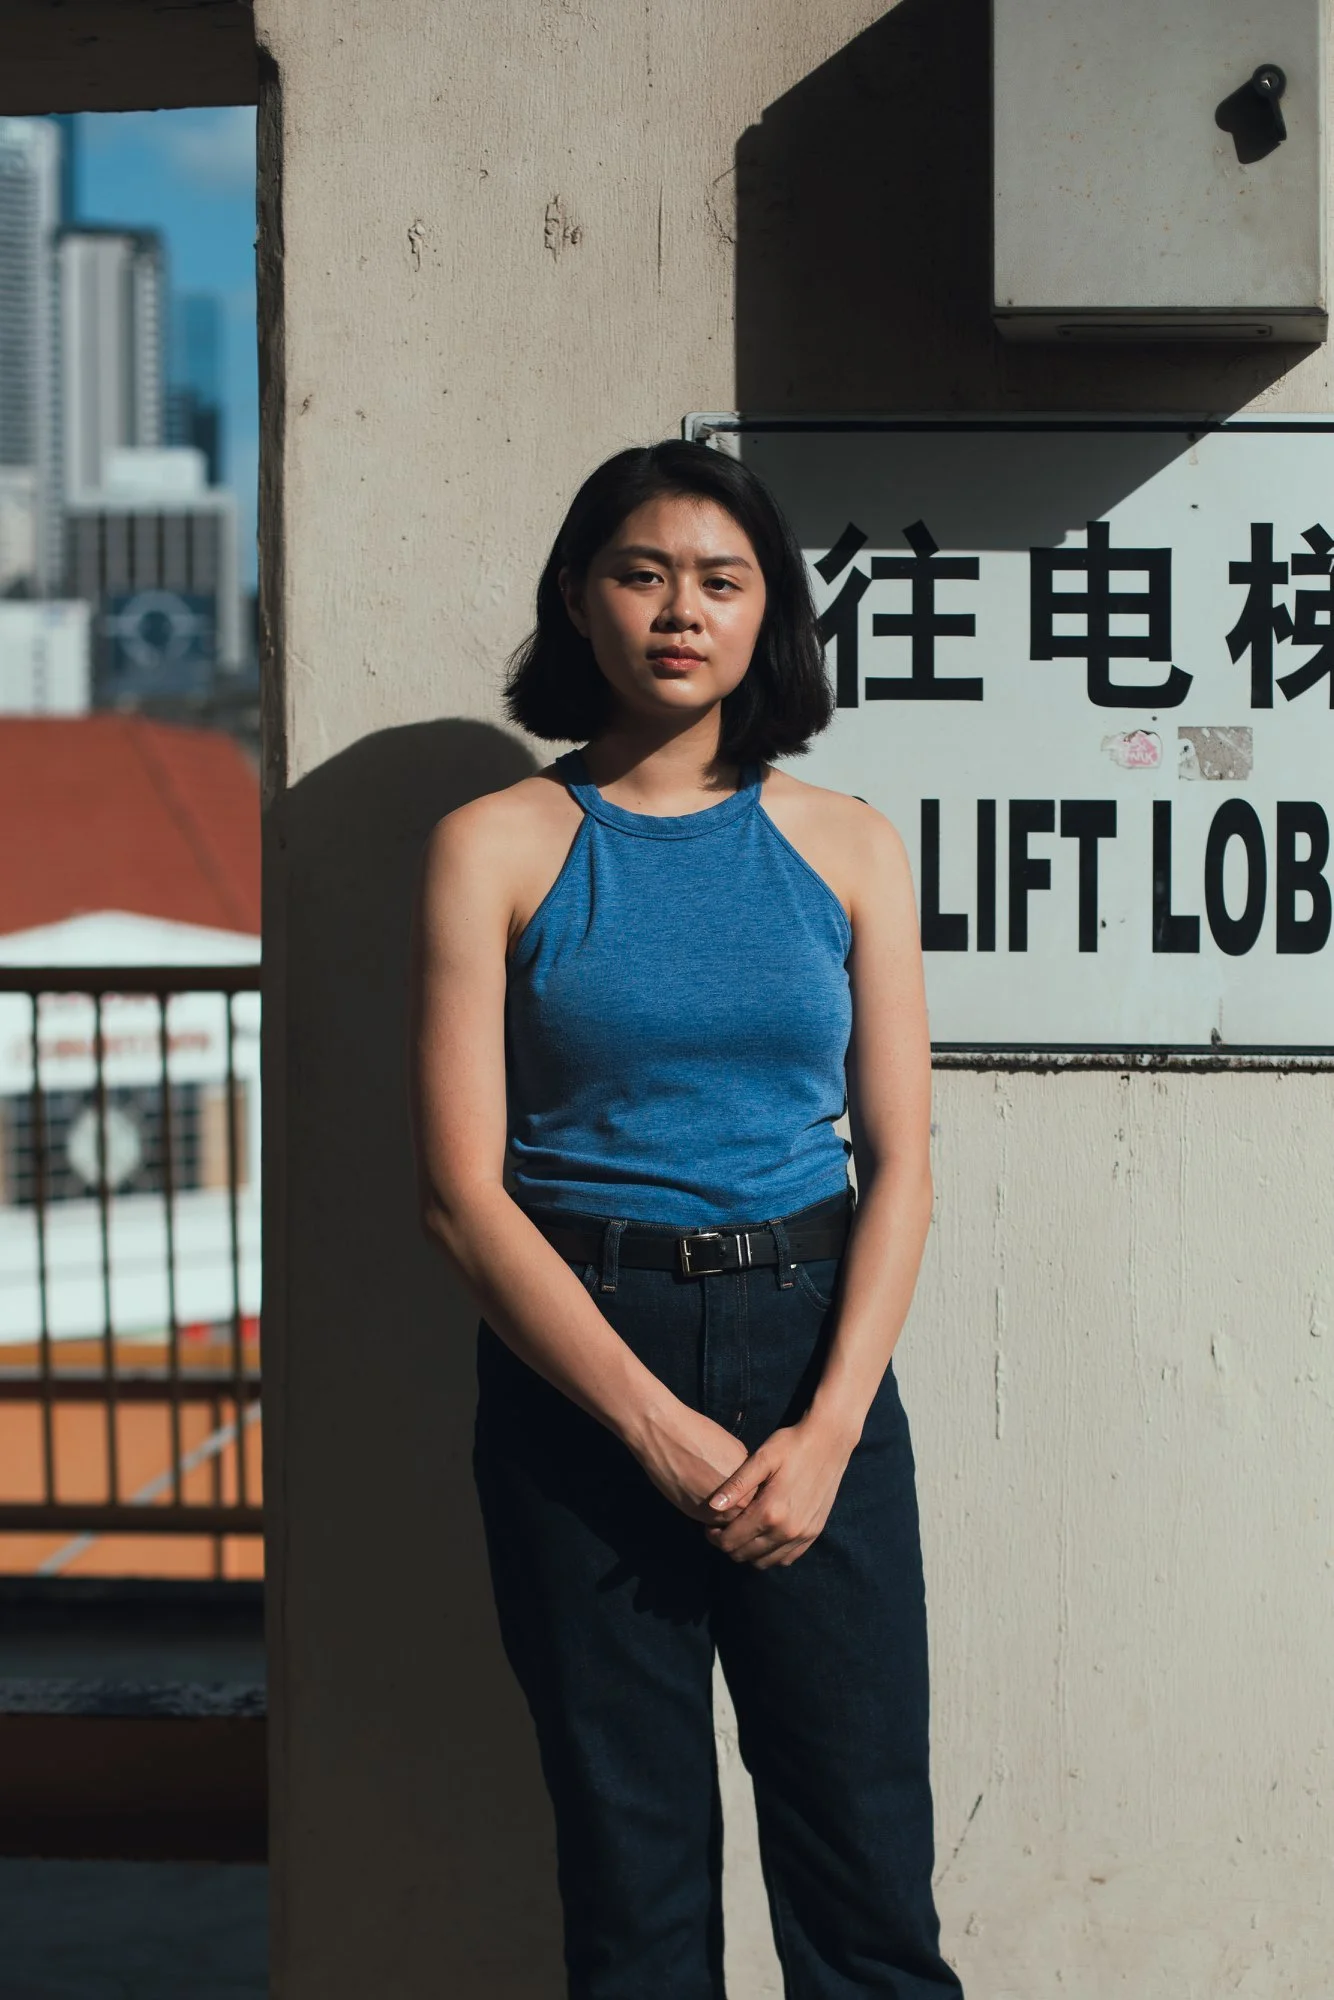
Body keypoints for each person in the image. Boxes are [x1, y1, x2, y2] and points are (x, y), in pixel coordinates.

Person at [411, 439, 963, 1999]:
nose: (679, 610)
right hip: (585, 1362)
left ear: (766, 614)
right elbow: (459, 1194)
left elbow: (901, 1166)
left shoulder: (846, 843)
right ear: (578, 600)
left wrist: (833, 1429)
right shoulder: (496, 845)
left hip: (813, 1348)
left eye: (720, 581)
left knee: (864, 1880)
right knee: (634, 1884)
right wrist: (651, 1430)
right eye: (641, 573)